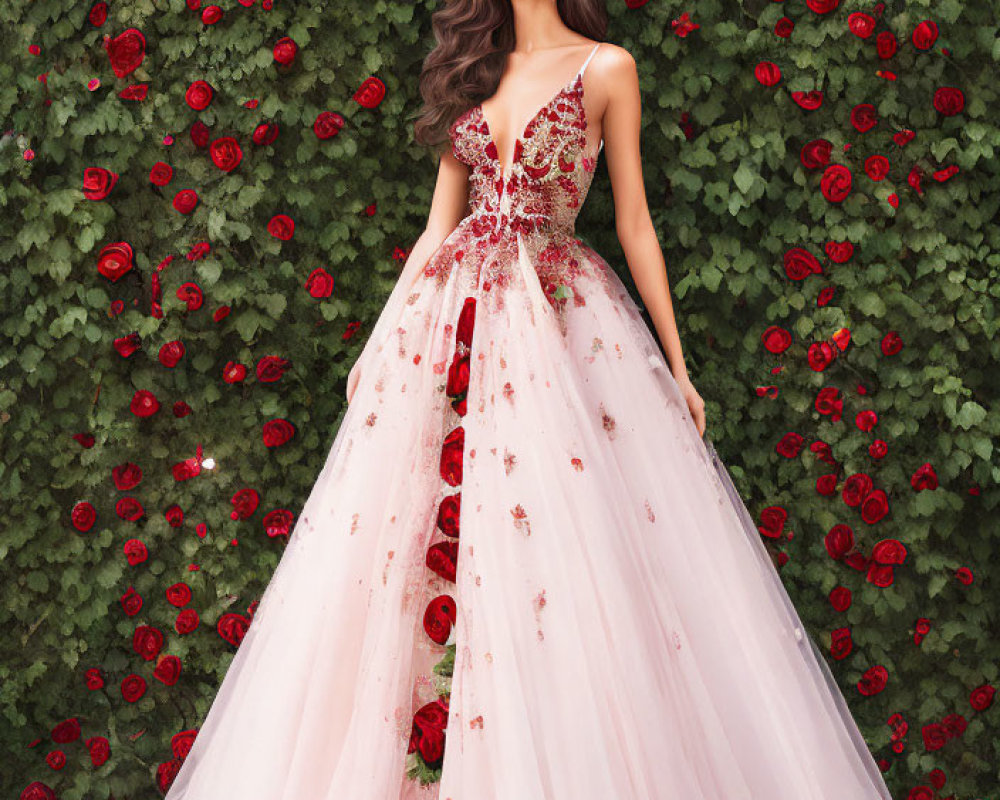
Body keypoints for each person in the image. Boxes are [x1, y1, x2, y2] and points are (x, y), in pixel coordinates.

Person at [164, 1, 895, 798]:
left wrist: (678, 367)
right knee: (405, 540)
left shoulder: (606, 67)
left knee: (552, 534)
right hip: (450, 324)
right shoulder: (474, 71)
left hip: (558, 324)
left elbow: (634, 220)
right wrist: (381, 340)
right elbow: (437, 229)